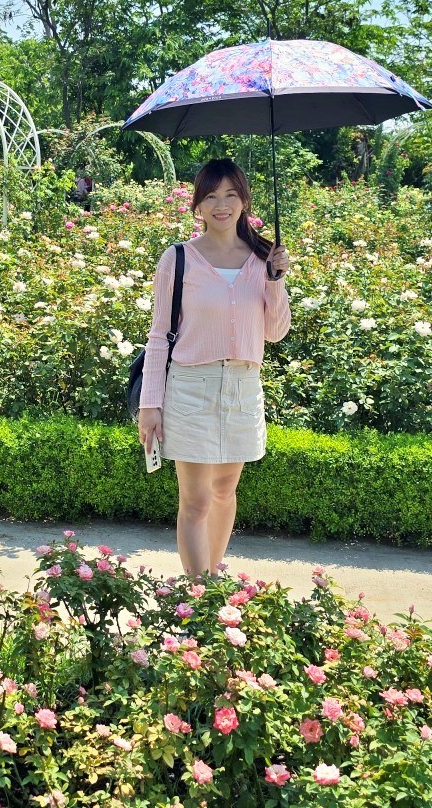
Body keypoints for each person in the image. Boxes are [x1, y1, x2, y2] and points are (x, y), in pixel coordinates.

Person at [136, 158, 291, 576]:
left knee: (225, 491)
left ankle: (214, 574)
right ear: (197, 206)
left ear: (244, 201)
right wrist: (150, 405)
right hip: (191, 386)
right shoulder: (179, 259)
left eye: (230, 195)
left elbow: (275, 333)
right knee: (197, 501)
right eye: (210, 196)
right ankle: (197, 594)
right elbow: (158, 335)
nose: (221, 205)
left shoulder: (264, 258)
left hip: (243, 386)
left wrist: (276, 281)